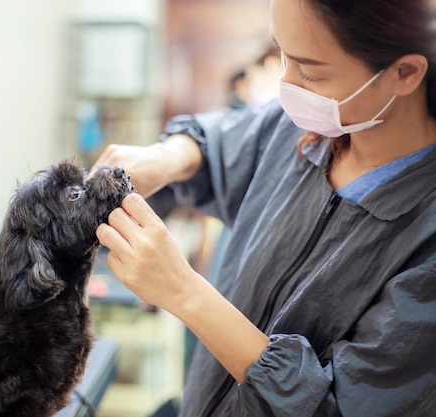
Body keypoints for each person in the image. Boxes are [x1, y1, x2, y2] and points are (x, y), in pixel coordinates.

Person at [90, 0, 436, 415]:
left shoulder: (425, 240)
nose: (287, 86)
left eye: (310, 71)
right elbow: (219, 140)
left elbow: (339, 408)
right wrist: (168, 158)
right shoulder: (302, 128)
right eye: (281, 55)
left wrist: (185, 292)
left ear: (405, 73)